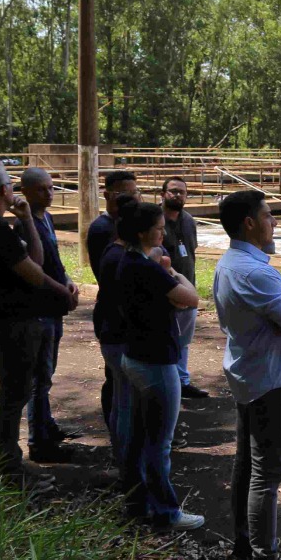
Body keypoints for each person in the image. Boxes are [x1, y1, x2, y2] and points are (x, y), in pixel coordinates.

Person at [213, 190, 281, 560]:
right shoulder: (257, 272)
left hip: (247, 371)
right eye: (269, 216)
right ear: (250, 223)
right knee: (267, 472)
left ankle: (244, 543)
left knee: (247, 463)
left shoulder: (230, 263)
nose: (275, 222)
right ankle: (263, 559)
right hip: (269, 379)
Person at [0, 160, 80, 487]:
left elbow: (38, 259)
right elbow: (34, 273)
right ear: (3, 190)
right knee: (14, 398)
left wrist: (28, 218)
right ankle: (11, 469)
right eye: (10, 184)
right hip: (14, 324)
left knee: (17, 394)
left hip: (16, 321)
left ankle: (12, 464)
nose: (13, 190)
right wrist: (64, 293)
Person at [114, 199, 205, 530]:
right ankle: (167, 512)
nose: (163, 232)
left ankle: (137, 502)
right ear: (143, 233)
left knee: (139, 437)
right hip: (156, 362)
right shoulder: (147, 268)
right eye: (158, 228)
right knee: (159, 443)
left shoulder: (127, 261)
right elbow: (193, 298)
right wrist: (172, 271)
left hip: (134, 356)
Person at [19, 167, 83, 456]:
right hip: (38, 309)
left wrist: (68, 282)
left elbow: (55, 261)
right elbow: (35, 270)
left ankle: (47, 425)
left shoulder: (48, 219)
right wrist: (60, 289)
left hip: (54, 307)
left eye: (51, 187)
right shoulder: (25, 225)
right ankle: (37, 440)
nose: (49, 193)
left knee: (47, 372)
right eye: (43, 188)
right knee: (38, 377)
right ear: (27, 192)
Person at [89, 169, 139, 459]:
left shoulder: (123, 228)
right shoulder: (103, 230)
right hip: (113, 319)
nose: (130, 199)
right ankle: (119, 441)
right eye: (124, 195)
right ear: (107, 194)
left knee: (124, 382)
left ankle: (124, 441)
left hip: (119, 318)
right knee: (117, 381)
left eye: (134, 193)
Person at [161, 176, 208, 399]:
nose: (177, 195)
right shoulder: (155, 220)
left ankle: (182, 382)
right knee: (165, 339)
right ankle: (167, 384)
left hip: (188, 289)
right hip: (164, 293)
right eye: (173, 191)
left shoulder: (189, 220)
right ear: (162, 194)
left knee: (184, 342)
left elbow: (192, 251)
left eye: (182, 192)